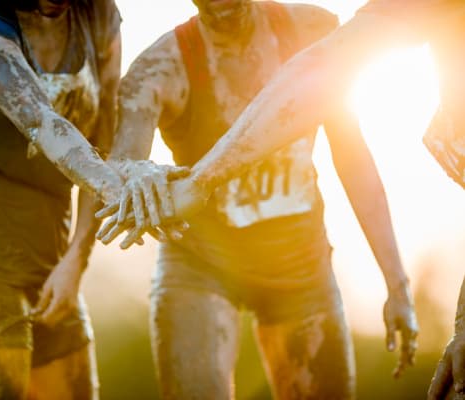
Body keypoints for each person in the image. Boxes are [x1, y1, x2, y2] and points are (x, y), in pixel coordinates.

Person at [98, 1, 465, 399]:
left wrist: (396, 283)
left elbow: (351, 156)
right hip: (202, 261)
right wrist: (140, 172)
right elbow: (123, 168)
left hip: (299, 261)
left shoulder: (311, 30)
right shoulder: (158, 68)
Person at [0, 0, 125, 398]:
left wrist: (77, 257)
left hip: (51, 258)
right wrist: (126, 191)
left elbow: (105, 137)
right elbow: (46, 124)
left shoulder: (99, 15)